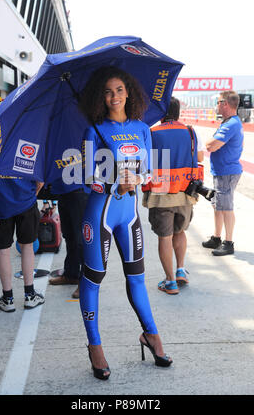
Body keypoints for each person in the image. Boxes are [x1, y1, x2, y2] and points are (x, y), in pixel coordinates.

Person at [78, 66, 172, 381]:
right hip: (99, 213)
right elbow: (84, 176)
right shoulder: (95, 130)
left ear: (128, 91)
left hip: (129, 215)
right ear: (100, 97)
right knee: (94, 279)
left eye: (119, 89)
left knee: (137, 279)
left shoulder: (142, 129)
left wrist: (139, 178)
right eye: (107, 91)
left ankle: (152, 335)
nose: (114, 96)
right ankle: (95, 346)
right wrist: (112, 180)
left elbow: (151, 172)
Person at [142, 97, 204, 295]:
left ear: (161, 113)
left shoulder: (152, 134)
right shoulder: (191, 131)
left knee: (165, 237)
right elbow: (200, 157)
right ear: (177, 113)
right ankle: (180, 270)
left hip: (161, 196)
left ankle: (170, 282)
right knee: (180, 232)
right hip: (186, 194)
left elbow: (144, 162)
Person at [0, 135, 45, 312]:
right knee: (27, 247)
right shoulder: (29, 137)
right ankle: (30, 295)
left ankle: (8, 299)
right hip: (26, 202)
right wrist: (32, 195)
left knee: (3, 250)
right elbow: (40, 178)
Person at [202, 91, 243, 256]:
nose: (217, 105)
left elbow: (211, 145)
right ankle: (217, 237)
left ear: (225, 103)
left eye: (218, 102)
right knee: (218, 206)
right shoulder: (228, 122)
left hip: (226, 171)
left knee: (226, 207)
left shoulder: (230, 124)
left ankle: (229, 242)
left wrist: (207, 143)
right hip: (221, 170)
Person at [48, 178, 89, 300]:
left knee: (81, 240)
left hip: (79, 189)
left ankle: (86, 283)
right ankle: (71, 274)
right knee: (68, 235)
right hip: (63, 189)